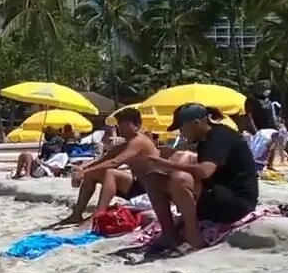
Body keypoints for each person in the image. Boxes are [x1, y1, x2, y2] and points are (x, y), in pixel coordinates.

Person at [143, 104, 259, 251]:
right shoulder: (205, 139)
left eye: (182, 128)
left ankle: (193, 237)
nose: (181, 133)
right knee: (152, 179)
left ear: (196, 123)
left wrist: (166, 164)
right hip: (217, 194)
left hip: (236, 201)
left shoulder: (219, 137)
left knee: (180, 179)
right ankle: (169, 233)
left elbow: (205, 171)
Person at [55, 107, 158, 225]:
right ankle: (76, 214)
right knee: (92, 173)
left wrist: (84, 172)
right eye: (119, 124)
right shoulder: (126, 143)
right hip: (138, 186)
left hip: (150, 190)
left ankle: (99, 213)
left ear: (137, 125)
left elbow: (115, 162)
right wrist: (82, 169)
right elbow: (103, 159)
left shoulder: (139, 141)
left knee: (111, 173)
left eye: (124, 124)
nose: (120, 128)